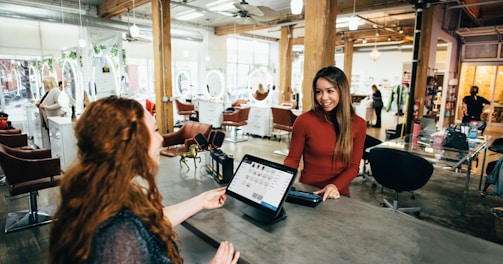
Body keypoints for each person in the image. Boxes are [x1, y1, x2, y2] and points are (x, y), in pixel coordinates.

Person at [50, 96, 239, 264]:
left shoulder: (100, 192)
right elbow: (133, 229)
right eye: (155, 131)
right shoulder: (118, 236)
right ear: (132, 144)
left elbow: (150, 223)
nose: (161, 140)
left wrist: (201, 201)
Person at [284, 66, 366, 201]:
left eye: (330, 91)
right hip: (307, 191)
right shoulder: (304, 121)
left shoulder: (358, 124)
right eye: (318, 92)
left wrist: (334, 186)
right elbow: (292, 160)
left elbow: (354, 167)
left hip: (338, 194)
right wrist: (281, 180)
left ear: (342, 91)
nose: (323, 97)